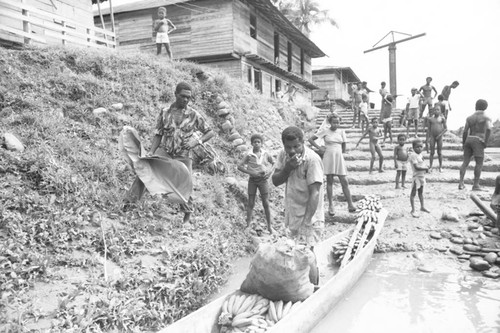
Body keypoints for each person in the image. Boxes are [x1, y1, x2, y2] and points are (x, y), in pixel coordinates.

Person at [125, 82, 215, 223]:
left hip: (184, 154)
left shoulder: (194, 115)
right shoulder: (165, 112)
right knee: (145, 171)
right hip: (165, 151)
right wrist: (151, 151)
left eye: (188, 98)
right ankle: (130, 204)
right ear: (176, 94)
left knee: (185, 183)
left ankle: (187, 214)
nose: (185, 100)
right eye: (183, 96)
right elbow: (158, 133)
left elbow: (210, 132)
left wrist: (196, 141)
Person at [272, 126, 324, 246]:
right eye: (288, 147)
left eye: (296, 146)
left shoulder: (312, 160)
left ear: (303, 143)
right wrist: (288, 168)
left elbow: (315, 193)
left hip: (310, 220)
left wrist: (306, 224)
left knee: (310, 258)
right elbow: (275, 181)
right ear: (283, 145)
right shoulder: (283, 155)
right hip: (293, 217)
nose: (292, 151)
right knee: (293, 257)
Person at [308, 114, 356, 215]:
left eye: (338, 122)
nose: (336, 124)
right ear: (330, 122)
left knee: (344, 180)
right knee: (330, 180)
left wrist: (340, 154)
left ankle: (350, 204)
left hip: (338, 157)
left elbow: (344, 145)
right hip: (328, 156)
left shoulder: (341, 132)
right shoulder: (325, 131)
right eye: (334, 122)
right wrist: (319, 148)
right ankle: (330, 205)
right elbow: (311, 140)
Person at [237, 134, 274, 233]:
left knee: (265, 203)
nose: (257, 144)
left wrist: (269, 173)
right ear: (251, 143)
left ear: (262, 143)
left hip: (263, 180)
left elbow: (274, 164)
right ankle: (248, 225)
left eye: (259, 142)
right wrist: (251, 172)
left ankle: (269, 227)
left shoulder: (266, 154)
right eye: (255, 142)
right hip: (252, 180)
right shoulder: (249, 155)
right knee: (251, 203)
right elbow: (239, 166)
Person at [458, 99, 492, 191]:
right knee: (479, 163)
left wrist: (464, 143)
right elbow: (488, 129)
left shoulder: (469, 117)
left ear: (476, 106)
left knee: (465, 162)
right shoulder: (486, 117)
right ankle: (476, 185)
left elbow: (465, 131)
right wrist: (486, 142)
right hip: (479, 139)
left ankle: (461, 183)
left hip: (469, 139)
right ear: (485, 107)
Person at [409, 139, 430, 217]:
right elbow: (416, 167)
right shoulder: (413, 155)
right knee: (413, 193)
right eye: (417, 147)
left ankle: (422, 207)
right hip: (416, 177)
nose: (419, 148)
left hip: (422, 176)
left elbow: (422, 164)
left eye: (421, 146)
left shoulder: (420, 155)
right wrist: (425, 169)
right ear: (413, 147)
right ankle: (413, 210)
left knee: (421, 192)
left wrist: (426, 168)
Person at [426, 106, 447, 172]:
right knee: (432, 152)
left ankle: (440, 167)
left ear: (440, 111)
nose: (436, 111)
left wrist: (440, 135)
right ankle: (431, 166)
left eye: (438, 110)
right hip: (432, 136)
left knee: (439, 152)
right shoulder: (430, 119)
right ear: (433, 111)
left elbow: (445, 129)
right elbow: (429, 129)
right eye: (435, 110)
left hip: (439, 137)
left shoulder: (442, 119)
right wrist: (428, 138)